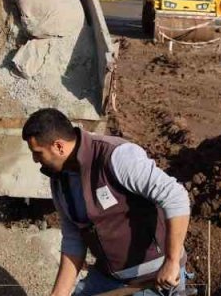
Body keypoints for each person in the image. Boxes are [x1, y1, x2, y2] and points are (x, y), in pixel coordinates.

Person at [23, 108, 191, 296]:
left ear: (59, 146)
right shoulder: (59, 181)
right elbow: (73, 238)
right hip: (109, 278)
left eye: (38, 153)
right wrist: (58, 294)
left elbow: (176, 197)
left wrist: (172, 261)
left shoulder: (115, 156)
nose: (35, 159)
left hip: (155, 277)